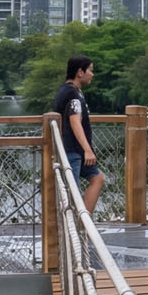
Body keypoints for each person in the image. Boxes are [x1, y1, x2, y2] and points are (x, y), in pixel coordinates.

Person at [52, 55, 104, 212]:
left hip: (76, 151)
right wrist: (87, 150)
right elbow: (75, 122)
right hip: (72, 151)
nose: (92, 74)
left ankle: (83, 221)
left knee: (97, 179)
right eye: (90, 70)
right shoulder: (71, 93)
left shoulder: (72, 91)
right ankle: (77, 222)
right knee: (72, 193)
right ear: (80, 72)